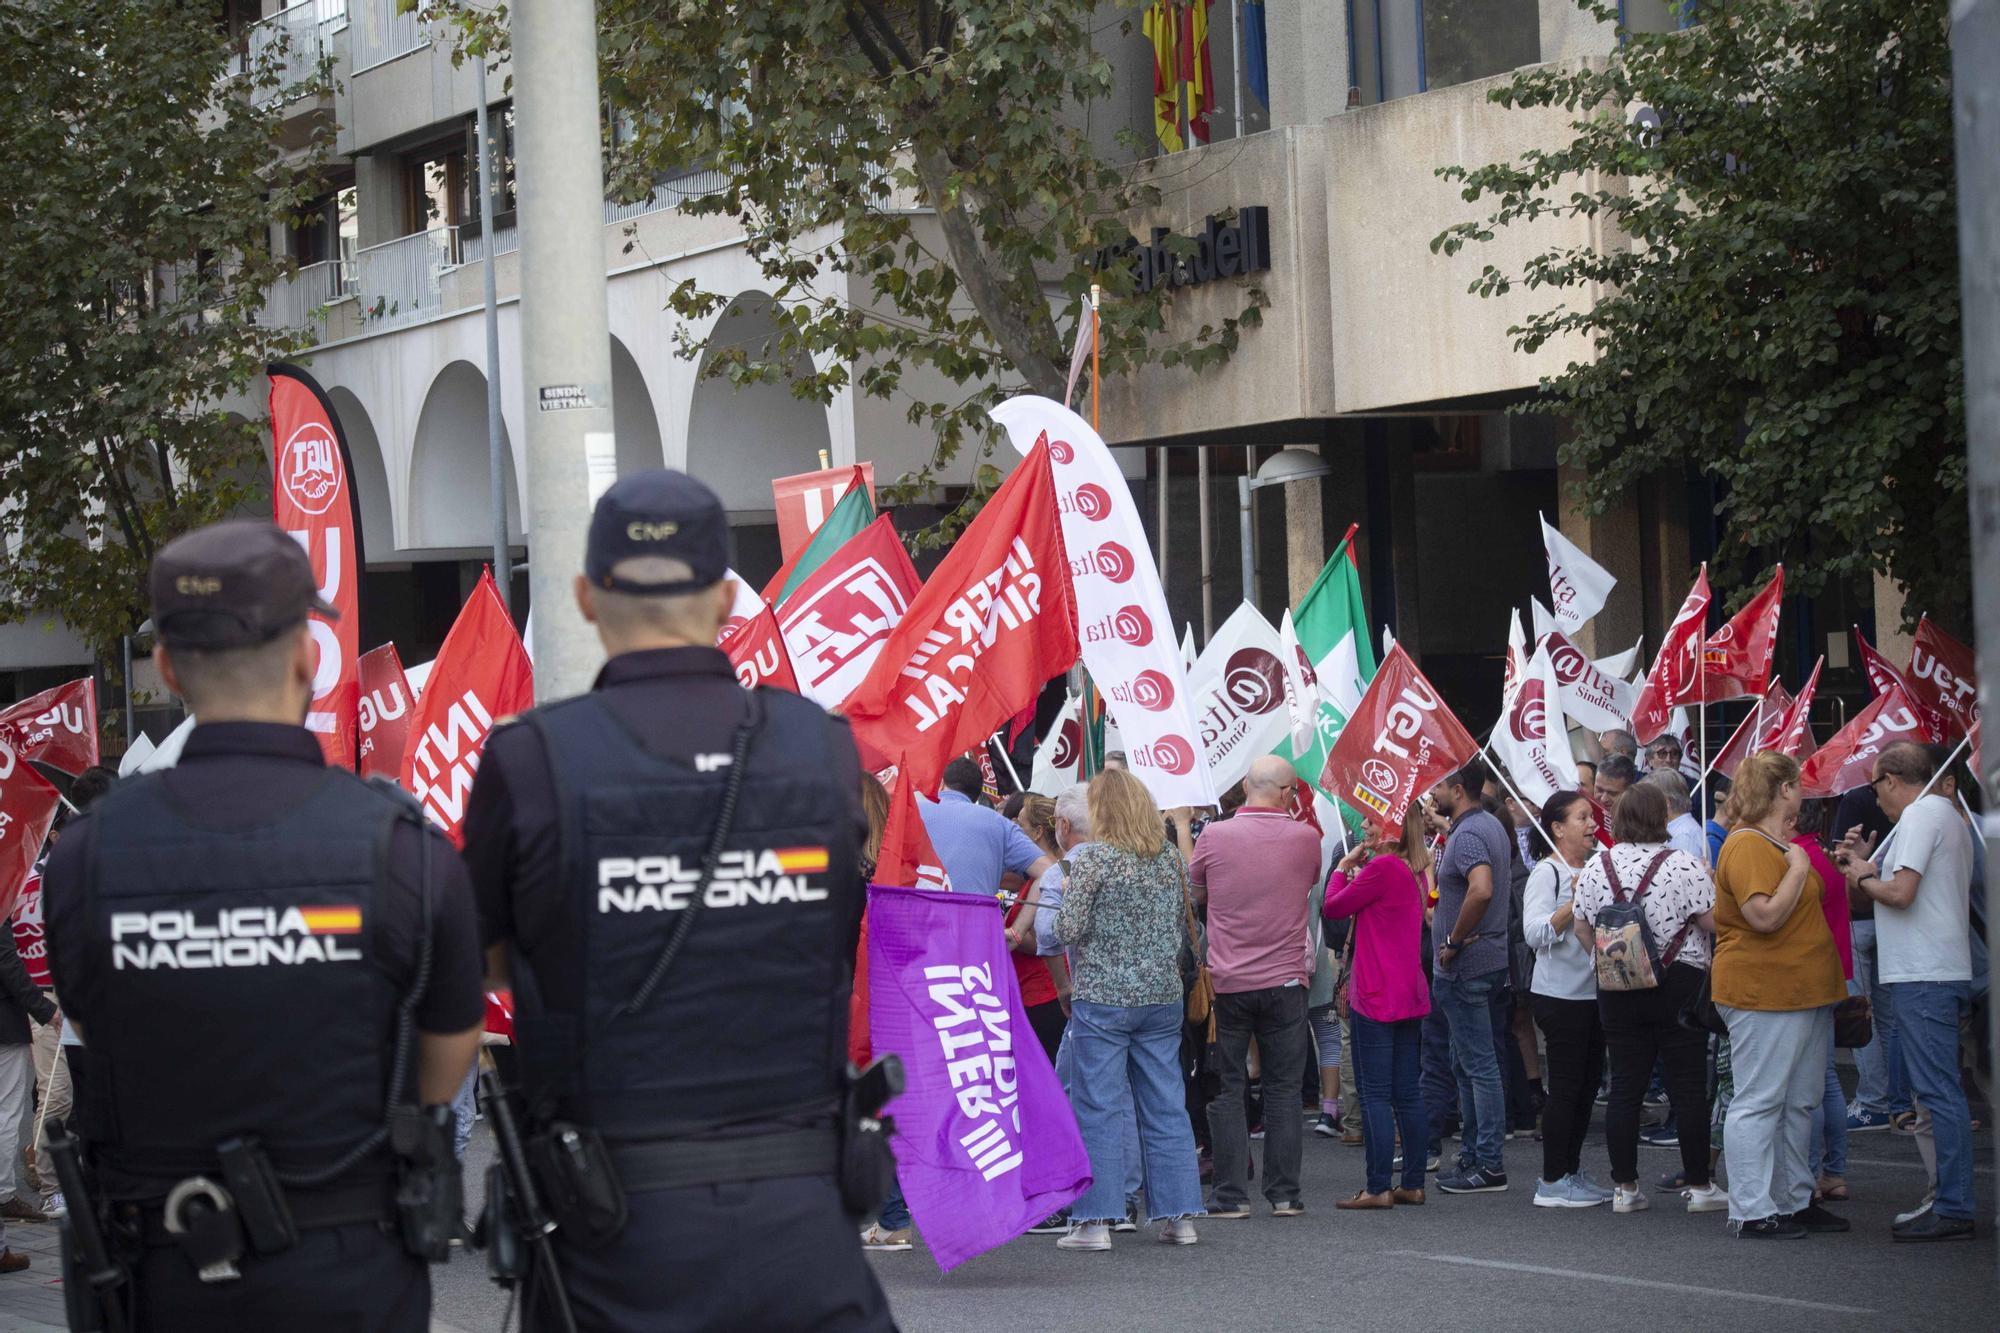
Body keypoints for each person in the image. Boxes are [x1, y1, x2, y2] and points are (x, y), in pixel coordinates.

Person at [462, 472, 894, 1329]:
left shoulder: (530, 759)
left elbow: (493, 959)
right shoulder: (820, 746)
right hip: (804, 1229)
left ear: (586, 596)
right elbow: (830, 932)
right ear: (728, 594)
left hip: (614, 1238)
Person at [41, 520, 486, 1330]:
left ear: (169, 667)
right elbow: (449, 1052)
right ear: (310, 655)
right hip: (351, 1270)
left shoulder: (85, 857)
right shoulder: (402, 848)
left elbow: (92, 1018)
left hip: (157, 1273)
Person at [1049, 770, 1205, 1251]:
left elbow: (1065, 930)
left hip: (1104, 997)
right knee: (1165, 1104)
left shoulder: (1093, 859)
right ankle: (1181, 1218)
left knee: (1098, 1106)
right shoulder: (1169, 859)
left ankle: (1095, 1223)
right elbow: (1185, 928)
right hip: (1161, 997)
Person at [1838, 742, 1978, 1242]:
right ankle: (1948, 1197)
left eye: (1875, 786)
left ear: (1893, 780)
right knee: (1934, 1092)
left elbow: (1898, 893)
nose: (1875, 799)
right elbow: (1881, 889)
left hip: (1926, 973)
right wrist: (1858, 865)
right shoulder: (1941, 815)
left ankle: (1955, 1204)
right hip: (1928, 970)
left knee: (1938, 1092)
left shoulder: (1921, 816)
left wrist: (1863, 874)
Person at [1571, 782, 1724, 1215]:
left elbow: (1583, 927)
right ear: (1661, 817)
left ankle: (1625, 1188)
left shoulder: (1597, 865)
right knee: (1688, 1087)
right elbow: (1712, 922)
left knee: (1625, 1086)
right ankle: (1698, 1185)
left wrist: (1609, 966)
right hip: (1679, 983)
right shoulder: (1684, 864)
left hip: (1617, 985)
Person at [1711, 751, 1847, 1240]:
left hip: (1797, 992)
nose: (1803, 792)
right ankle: (1751, 1208)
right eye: (1798, 785)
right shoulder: (1748, 843)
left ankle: (1792, 1199)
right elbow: (1763, 916)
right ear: (1784, 789)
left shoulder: (1772, 841)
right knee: (1760, 1101)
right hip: (1763, 991)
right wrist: (1796, 866)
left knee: (1799, 1102)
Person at [1189, 756, 1319, 1219]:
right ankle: (1285, 1194)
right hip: (1285, 980)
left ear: (1245, 785)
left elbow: (1196, 888)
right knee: (1284, 1089)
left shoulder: (1215, 835)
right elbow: (1308, 883)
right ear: (1288, 794)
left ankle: (1230, 1196)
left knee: (1228, 1088)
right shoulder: (1307, 839)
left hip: (1229, 981)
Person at [1321, 819, 1432, 1209]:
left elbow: (1333, 905)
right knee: (1407, 1092)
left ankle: (1378, 1185)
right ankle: (1413, 1182)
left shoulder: (1383, 867)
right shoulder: (1414, 867)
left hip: (1375, 990)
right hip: (1407, 990)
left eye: (1370, 820)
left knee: (1375, 1095)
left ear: (1391, 829)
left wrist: (1339, 871)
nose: (1363, 826)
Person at [1427, 760, 1513, 1194]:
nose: (1433, 791)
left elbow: (1481, 888)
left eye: (1439, 784)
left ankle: (1489, 1163)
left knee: (1478, 1066)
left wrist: (1455, 942)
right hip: (1482, 963)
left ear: (1458, 790)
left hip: (1468, 966)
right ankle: (1477, 1156)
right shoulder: (1487, 825)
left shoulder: (1471, 833)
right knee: (1469, 1064)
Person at [1523, 791, 1613, 1208]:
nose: (1592, 823)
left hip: (1597, 994)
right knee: (1566, 1088)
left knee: (1587, 1086)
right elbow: (1533, 932)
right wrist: (1570, 905)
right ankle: (1552, 1179)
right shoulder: (1548, 872)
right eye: (1582, 817)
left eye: (1592, 816)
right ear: (1557, 828)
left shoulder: (1597, 865)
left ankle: (1571, 1168)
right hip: (1559, 996)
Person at [1792, 800, 1852, 1205]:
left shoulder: (1799, 859)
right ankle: (1834, 1172)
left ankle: (1812, 1174)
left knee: (1809, 1082)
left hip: (1809, 974)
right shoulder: (1824, 855)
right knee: (1826, 1078)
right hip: (1833, 969)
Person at [920, 757, 1055, 897]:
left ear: (941, 784)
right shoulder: (1000, 824)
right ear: (978, 795)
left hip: (913, 913)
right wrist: (1022, 919)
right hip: (976, 915)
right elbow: (1050, 873)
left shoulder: (909, 812)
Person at [1006, 793, 1072, 1060]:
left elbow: (1044, 938)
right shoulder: (1049, 872)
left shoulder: (1052, 876)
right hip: (1038, 993)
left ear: (1037, 833)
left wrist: (1003, 936)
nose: (1013, 832)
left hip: (1044, 996)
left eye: (1019, 826)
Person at [1643, 769, 1706, 864]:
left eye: (1648, 799)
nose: (1644, 805)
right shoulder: (1679, 831)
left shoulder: (1683, 837)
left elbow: (1684, 877)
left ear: (1665, 802)